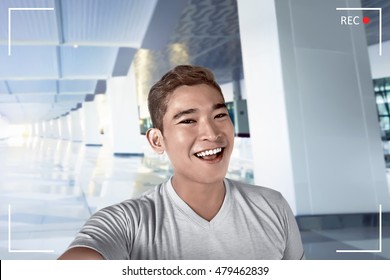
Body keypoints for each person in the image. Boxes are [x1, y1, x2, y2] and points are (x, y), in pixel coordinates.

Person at [58, 65, 304, 260]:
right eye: (188, 121)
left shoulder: (273, 207)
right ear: (157, 140)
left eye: (219, 115)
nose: (211, 133)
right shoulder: (128, 222)